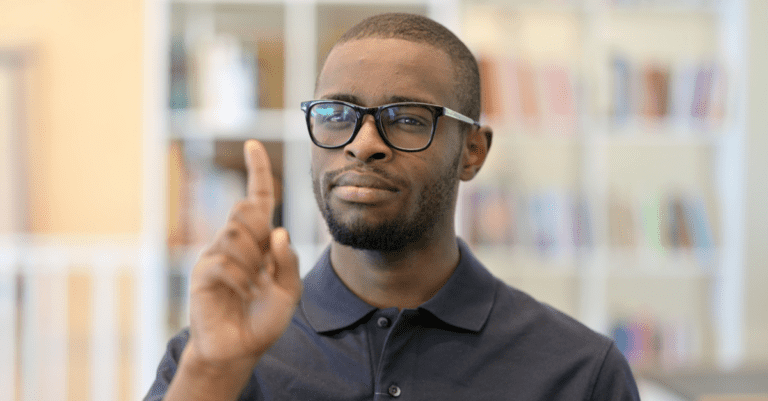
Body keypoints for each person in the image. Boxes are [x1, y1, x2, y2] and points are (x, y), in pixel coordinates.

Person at [145, 13, 640, 400]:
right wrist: (212, 372)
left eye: (405, 118)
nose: (362, 144)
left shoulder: (579, 372)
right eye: (337, 114)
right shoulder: (216, 352)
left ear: (473, 151)